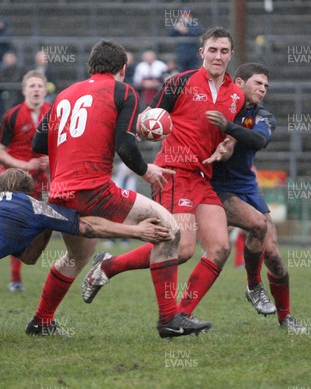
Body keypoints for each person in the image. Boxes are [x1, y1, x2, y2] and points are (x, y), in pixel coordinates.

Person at [29, 39, 212, 338]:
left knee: (76, 257)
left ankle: (41, 320)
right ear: (124, 68)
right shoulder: (123, 91)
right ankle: (169, 319)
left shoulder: (63, 94)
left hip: (61, 193)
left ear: (91, 66)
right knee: (170, 230)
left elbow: (37, 144)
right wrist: (147, 170)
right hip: (94, 190)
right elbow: (126, 145)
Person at [0, 169, 173, 345]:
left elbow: (29, 257)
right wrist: (136, 230)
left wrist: (47, 226)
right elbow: (89, 226)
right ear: (26, 191)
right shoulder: (31, 206)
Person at [83, 27, 246, 323]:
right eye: (212, 50)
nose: (218, 56)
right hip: (174, 172)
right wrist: (150, 128)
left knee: (220, 247)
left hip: (203, 177)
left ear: (231, 54)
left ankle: (182, 314)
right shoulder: (178, 83)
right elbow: (148, 118)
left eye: (224, 51)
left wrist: (227, 145)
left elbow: (230, 137)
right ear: (201, 52)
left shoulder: (235, 94)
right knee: (182, 249)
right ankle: (108, 268)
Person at [206, 62, 306, 332]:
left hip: (248, 186)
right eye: (257, 83)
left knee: (273, 255)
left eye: (266, 85)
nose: (263, 89)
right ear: (239, 83)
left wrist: (229, 128)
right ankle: (253, 286)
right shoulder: (221, 105)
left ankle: (285, 318)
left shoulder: (264, 116)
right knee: (185, 245)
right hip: (217, 186)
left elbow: (258, 140)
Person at [0, 70, 51, 292]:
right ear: (25, 90)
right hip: (14, 180)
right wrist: (23, 165)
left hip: (41, 181)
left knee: (46, 223)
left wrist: (50, 158)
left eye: (39, 86)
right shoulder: (12, 115)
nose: (36, 89)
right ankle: (15, 279)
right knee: (14, 227)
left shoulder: (54, 114)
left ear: (45, 90)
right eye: (32, 86)